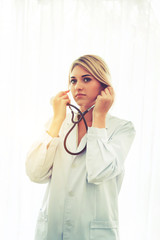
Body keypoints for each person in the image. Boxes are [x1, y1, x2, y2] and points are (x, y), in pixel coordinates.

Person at [26, 54, 136, 240]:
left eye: (86, 79)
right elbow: (34, 173)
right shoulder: (57, 123)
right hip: (52, 230)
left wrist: (99, 118)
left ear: (104, 86)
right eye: (73, 80)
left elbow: (99, 172)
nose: (77, 86)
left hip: (93, 233)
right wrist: (57, 120)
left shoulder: (122, 128)